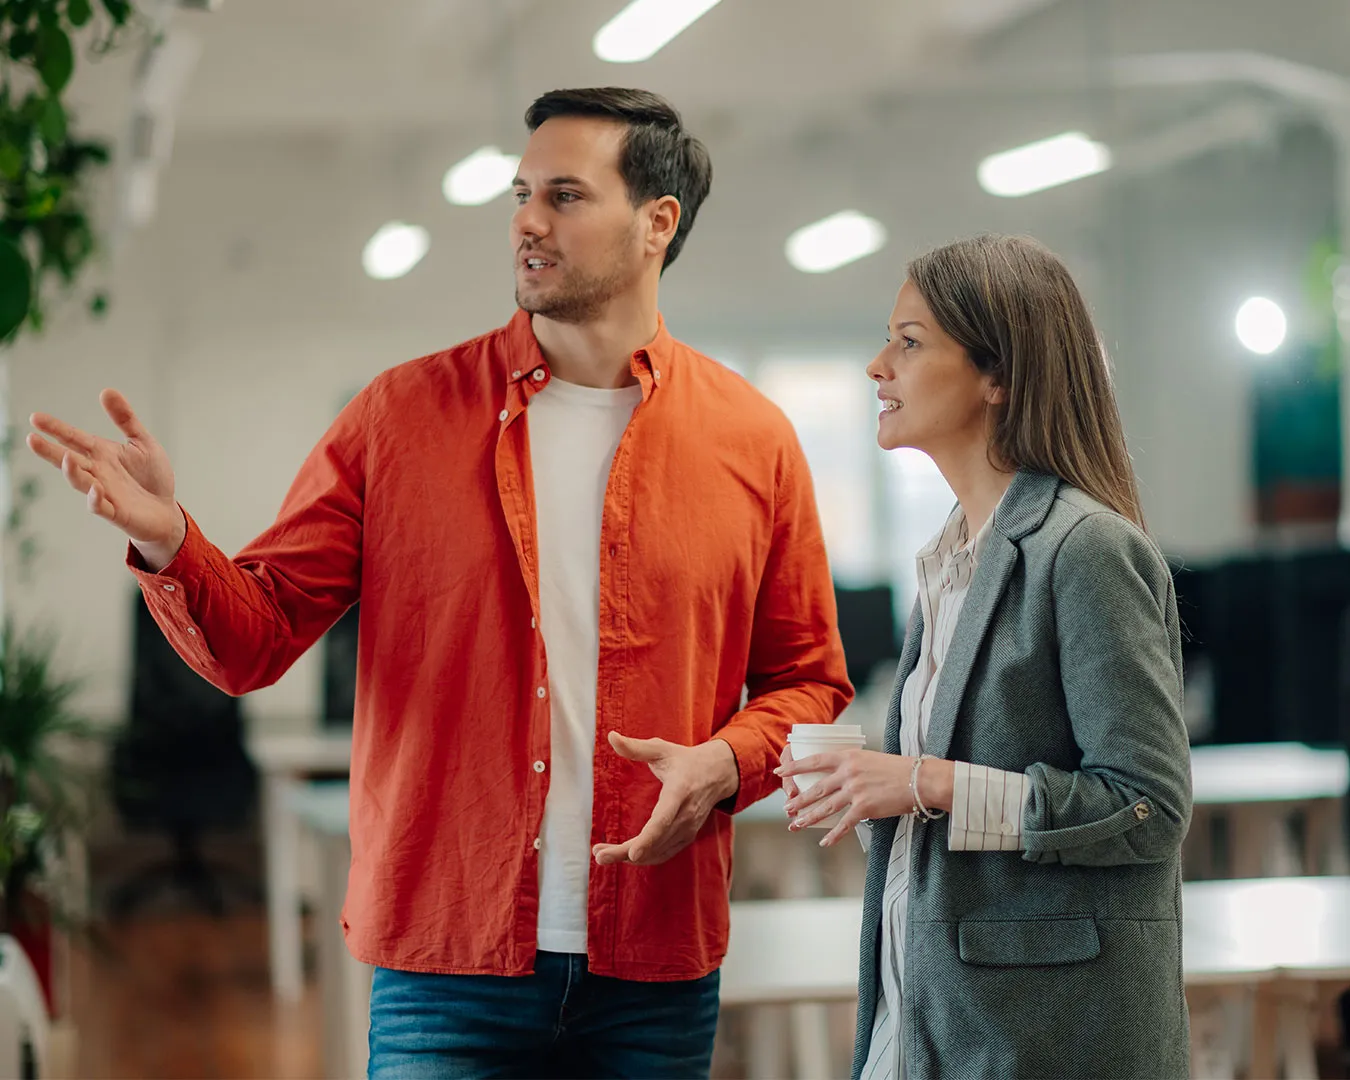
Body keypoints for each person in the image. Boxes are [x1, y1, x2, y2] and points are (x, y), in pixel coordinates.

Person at [28, 87, 853, 1079]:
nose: (527, 222)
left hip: (655, 967)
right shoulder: (401, 416)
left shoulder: (753, 440)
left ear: (656, 223)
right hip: (446, 965)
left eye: (564, 195)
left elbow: (810, 681)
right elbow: (255, 641)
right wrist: (171, 543)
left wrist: (726, 762)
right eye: (519, 193)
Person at [777, 234, 1192, 1079]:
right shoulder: (947, 559)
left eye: (909, 341)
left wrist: (924, 782)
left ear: (997, 376)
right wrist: (875, 794)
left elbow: (1148, 806)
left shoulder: (1084, 551)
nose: (875, 367)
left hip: (1037, 1038)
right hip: (926, 1015)